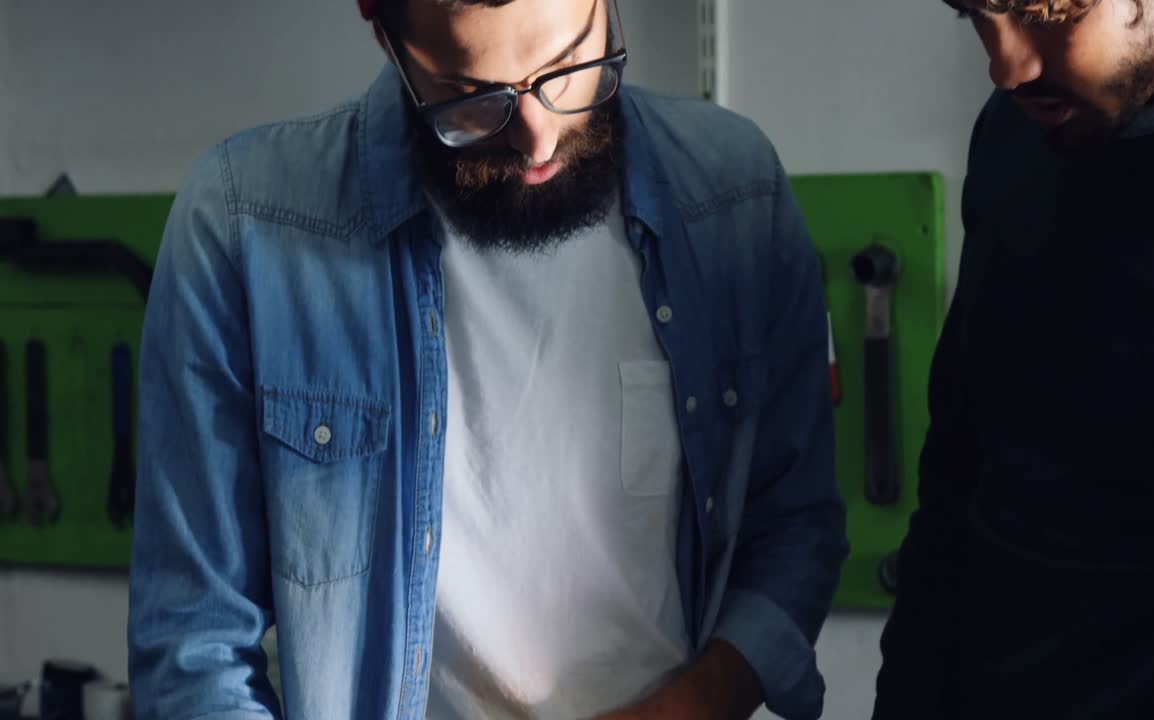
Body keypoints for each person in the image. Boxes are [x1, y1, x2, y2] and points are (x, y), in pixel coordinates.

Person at [126, 0, 849, 719]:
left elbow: (796, 526)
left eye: (570, 65)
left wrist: (691, 706)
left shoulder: (736, 194)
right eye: (473, 99)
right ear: (383, 31)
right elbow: (197, 646)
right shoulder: (243, 225)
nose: (537, 138)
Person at [874, 0, 1154, 717]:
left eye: (1042, 12)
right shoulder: (1016, 132)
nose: (1005, 67)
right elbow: (956, 487)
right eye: (973, 15)